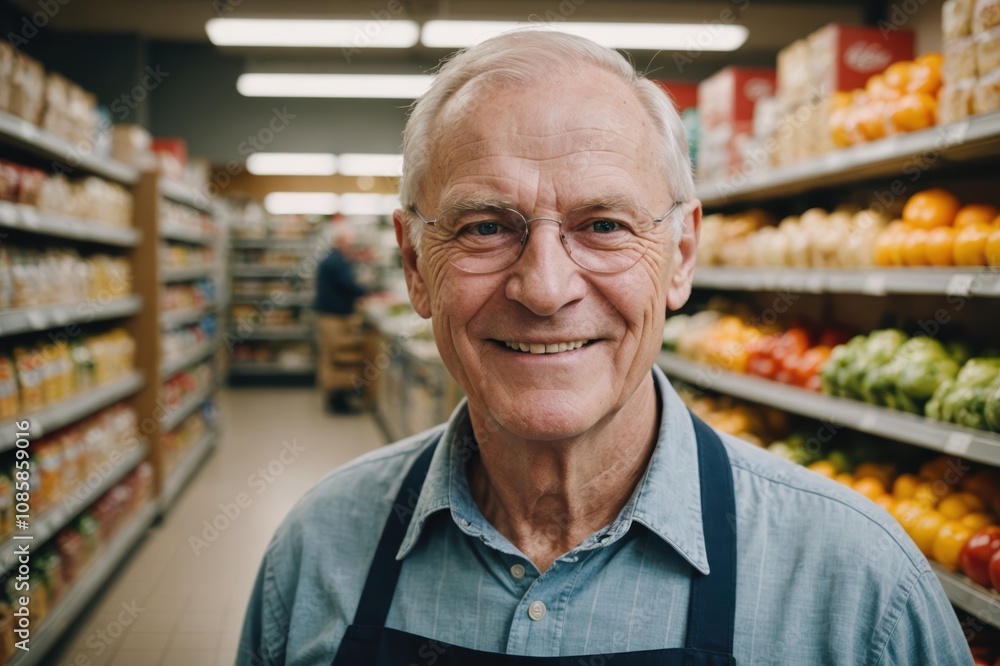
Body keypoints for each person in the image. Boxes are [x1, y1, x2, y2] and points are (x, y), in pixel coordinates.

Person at [239, 30, 972, 665]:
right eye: (486, 227)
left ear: (681, 252)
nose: (545, 288)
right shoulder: (316, 554)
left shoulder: (861, 588)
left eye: (604, 225)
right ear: (412, 264)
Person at [314, 221, 367, 413]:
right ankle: (338, 401)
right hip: (333, 317)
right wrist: (368, 291)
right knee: (337, 358)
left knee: (332, 357)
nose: (351, 245)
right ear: (341, 241)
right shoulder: (336, 261)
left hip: (330, 314)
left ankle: (336, 398)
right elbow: (349, 285)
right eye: (350, 241)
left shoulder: (332, 259)